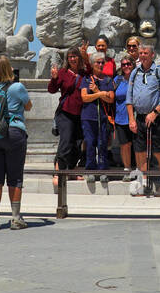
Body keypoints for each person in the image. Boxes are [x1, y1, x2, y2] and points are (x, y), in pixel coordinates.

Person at [0, 54, 31, 231]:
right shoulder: (17, 87)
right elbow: (28, 106)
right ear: (10, 69)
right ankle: (16, 218)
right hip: (13, 133)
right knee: (15, 177)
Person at [126, 44, 160, 197]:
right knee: (140, 152)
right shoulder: (135, 73)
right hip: (139, 118)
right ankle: (144, 182)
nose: (142, 55)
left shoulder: (159, 72)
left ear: (152, 55)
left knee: (158, 151)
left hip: (155, 118)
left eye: (145, 53)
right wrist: (131, 119)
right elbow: (129, 98)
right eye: (141, 53)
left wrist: (154, 113)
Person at [48, 48, 85, 190]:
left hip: (80, 113)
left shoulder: (83, 73)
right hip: (65, 112)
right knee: (65, 141)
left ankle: (71, 170)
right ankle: (58, 172)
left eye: (75, 56)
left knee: (77, 143)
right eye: (70, 57)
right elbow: (51, 89)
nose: (72, 59)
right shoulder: (63, 73)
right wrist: (55, 77)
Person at [79, 49, 115, 185]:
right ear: (92, 64)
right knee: (90, 143)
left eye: (102, 63)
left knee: (102, 143)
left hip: (103, 117)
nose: (100, 65)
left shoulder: (107, 80)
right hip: (88, 117)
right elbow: (84, 97)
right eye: (98, 62)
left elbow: (111, 98)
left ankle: (103, 170)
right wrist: (100, 94)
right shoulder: (87, 79)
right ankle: (90, 171)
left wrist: (97, 91)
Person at [112, 55, 136, 179]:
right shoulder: (118, 79)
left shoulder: (138, 78)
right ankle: (127, 169)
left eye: (128, 64)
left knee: (137, 144)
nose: (126, 66)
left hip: (136, 117)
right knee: (125, 144)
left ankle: (139, 169)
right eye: (123, 64)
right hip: (121, 117)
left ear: (133, 65)